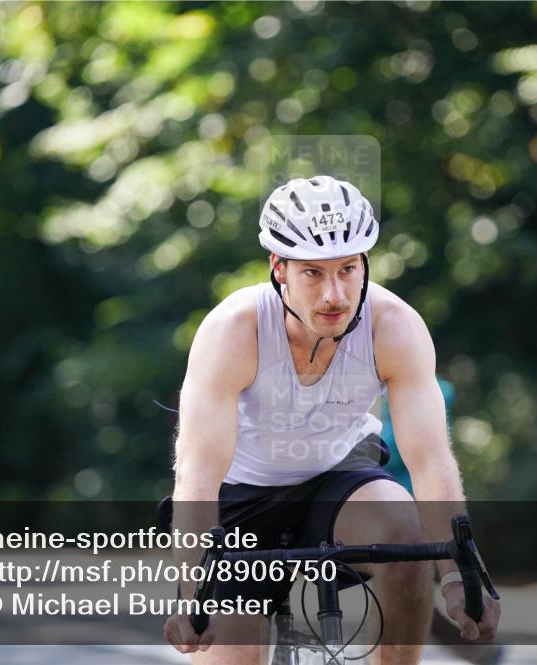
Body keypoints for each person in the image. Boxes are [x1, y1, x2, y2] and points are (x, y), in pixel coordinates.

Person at [164, 176, 501, 664]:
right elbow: (197, 470)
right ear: (278, 268)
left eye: (347, 270)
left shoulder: (395, 327)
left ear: (365, 263)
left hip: (339, 478)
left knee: (406, 534)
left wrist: (458, 576)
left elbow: (429, 459)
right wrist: (195, 590)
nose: (335, 295)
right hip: (242, 497)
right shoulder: (234, 331)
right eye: (313, 274)